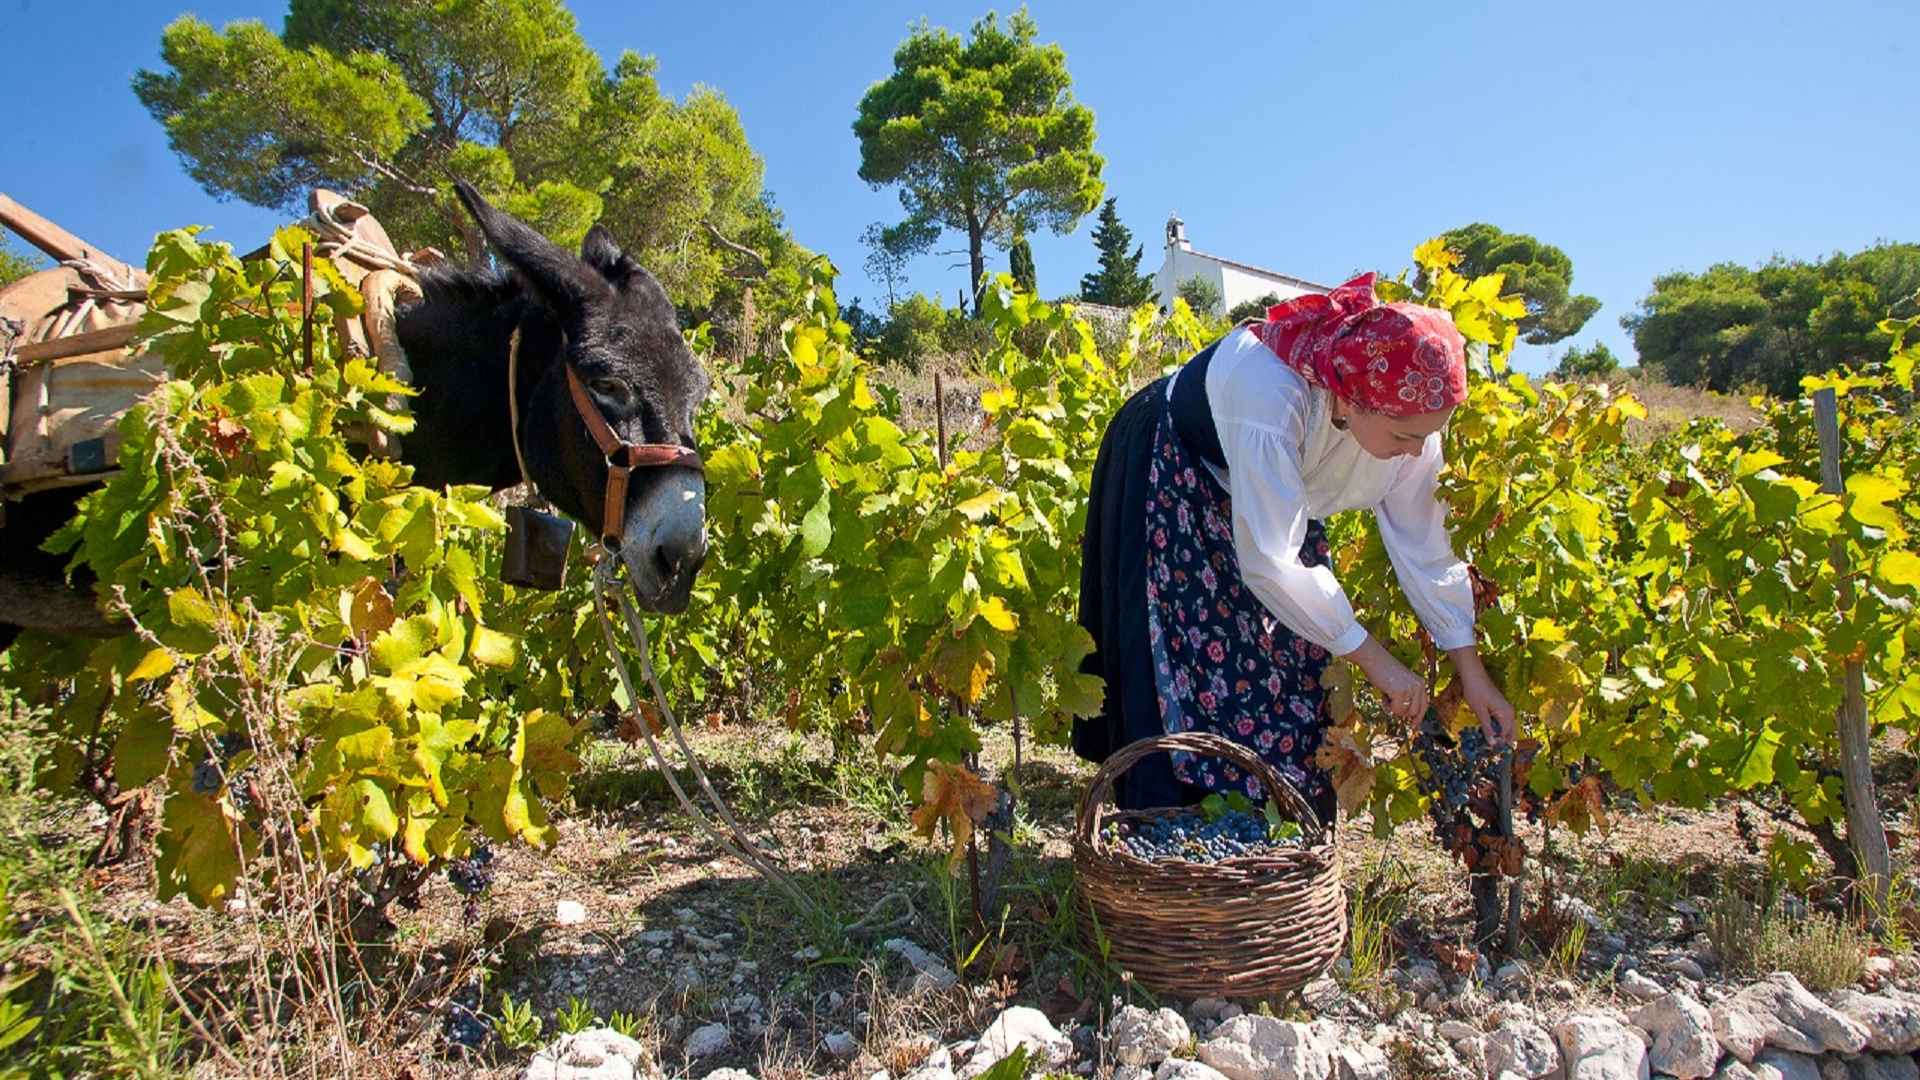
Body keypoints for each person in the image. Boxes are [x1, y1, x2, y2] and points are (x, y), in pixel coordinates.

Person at [1072, 272, 1516, 822]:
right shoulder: (1272, 390)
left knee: (1292, 667)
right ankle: (1176, 838)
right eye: (1405, 436)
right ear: (1350, 399)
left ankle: (1270, 831)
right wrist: (1376, 661)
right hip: (1173, 464)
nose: (1417, 451)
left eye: (1429, 435)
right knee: (1178, 658)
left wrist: (1471, 671)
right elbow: (1272, 563)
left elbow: (1426, 548)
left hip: (1271, 494)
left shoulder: (1410, 418)